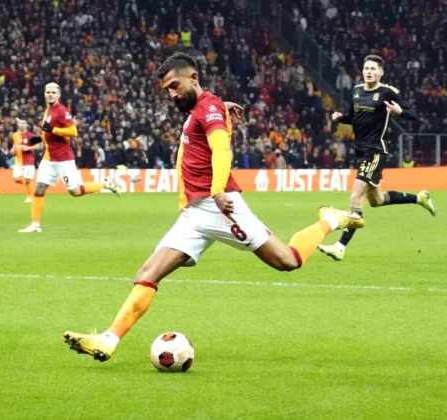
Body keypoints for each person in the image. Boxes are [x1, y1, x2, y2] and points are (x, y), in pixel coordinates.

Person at [62, 53, 364, 361]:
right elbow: (208, 125)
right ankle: (108, 339)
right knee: (149, 272)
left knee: (287, 260)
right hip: (194, 214)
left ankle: (329, 220)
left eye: (175, 86)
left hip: (219, 207)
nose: (171, 94)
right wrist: (220, 108)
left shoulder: (208, 109)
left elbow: (221, 150)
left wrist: (218, 189)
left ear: (193, 78)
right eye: (167, 89)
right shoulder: (204, 109)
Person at [318, 55, 436, 261]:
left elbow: (414, 113)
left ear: (381, 73)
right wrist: (341, 118)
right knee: (376, 200)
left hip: (375, 151)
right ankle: (420, 198)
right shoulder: (356, 91)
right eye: (366, 68)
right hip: (361, 151)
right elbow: (353, 118)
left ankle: (340, 246)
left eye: (373, 69)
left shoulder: (387, 92)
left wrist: (399, 111)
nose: (369, 72)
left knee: (355, 198)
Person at [18, 83, 122, 233]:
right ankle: (35, 225)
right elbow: (48, 132)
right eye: (48, 92)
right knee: (39, 189)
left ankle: (105, 184)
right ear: (45, 94)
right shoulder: (48, 110)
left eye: (53, 92)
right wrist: (40, 138)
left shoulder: (61, 111)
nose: (50, 94)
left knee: (75, 191)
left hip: (63, 159)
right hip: (49, 158)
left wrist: (53, 129)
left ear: (59, 95)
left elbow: (73, 131)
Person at [10, 118, 39, 203]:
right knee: (17, 179)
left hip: (28, 161)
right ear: (18, 125)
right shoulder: (15, 135)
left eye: (24, 123)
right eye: (21, 123)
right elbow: (15, 145)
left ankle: (30, 196)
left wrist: (28, 148)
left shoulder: (30, 135)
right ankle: (32, 188)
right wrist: (13, 150)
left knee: (28, 180)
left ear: (26, 125)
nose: (22, 125)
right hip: (18, 161)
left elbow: (37, 146)